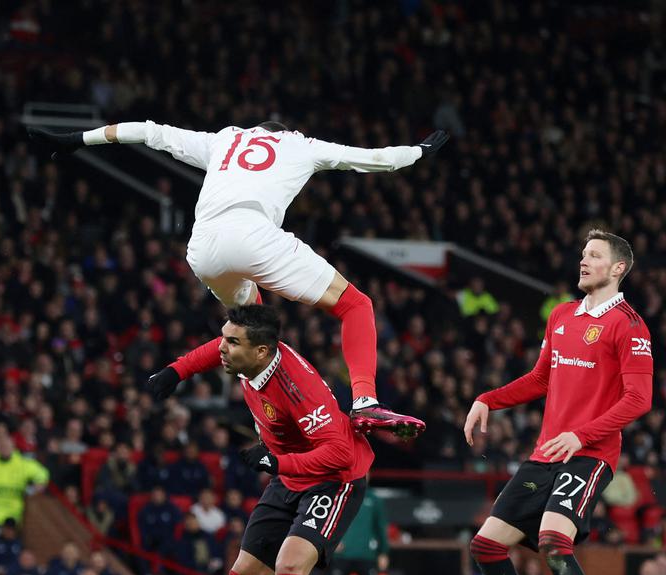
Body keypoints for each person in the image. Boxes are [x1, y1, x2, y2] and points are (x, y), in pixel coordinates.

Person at [31, 120, 449, 438]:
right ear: (285, 133)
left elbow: (149, 131)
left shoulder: (223, 140)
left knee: (250, 330)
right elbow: (373, 158)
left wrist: (76, 140)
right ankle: (364, 401)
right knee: (356, 305)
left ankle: (256, 421)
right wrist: (418, 152)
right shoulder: (300, 145)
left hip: (203, 246)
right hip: (254, 234)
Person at [149, 304, 372, 575]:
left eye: (233, 342)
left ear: (262, 352)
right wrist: (177, 371)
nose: (223, 347)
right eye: (225, 336)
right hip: (289, 475)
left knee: (289, 566)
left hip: (335, 479)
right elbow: (212, 351)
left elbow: (339, 453)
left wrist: (278, 462)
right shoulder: (251, 361)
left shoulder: (297, 386)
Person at [463, 229, 652, 575]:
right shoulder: (563, 316)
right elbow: (540, 379)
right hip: (545, 454)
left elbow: (639, 399)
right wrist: (488, 398)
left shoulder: (629, 326)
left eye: (595, 256)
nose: (583, 261)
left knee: (553, 541)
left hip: (589, 456)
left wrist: (582, 435)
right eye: (583, 253)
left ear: (618, 269)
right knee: (486, 546)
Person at [0, 427, 50, 530]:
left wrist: (35, 487)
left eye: (8, 446)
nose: (5, 449)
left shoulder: (21, 464)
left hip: (15, 516)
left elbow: (42, 473)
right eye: (2, 446)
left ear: (13, 447)